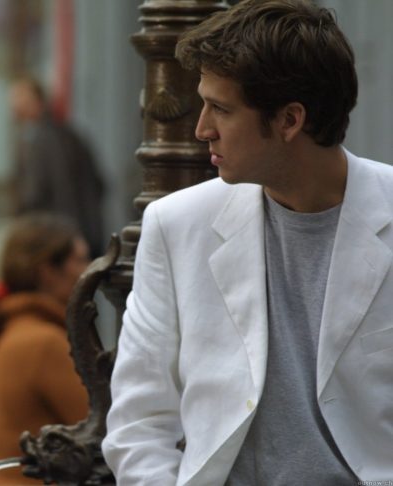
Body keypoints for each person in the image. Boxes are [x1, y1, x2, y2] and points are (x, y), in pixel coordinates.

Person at [102, 0, 393, 484]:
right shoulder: (176, 225)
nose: (200, 130)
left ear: (289, 120)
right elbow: (138, 423)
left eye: (221, 108)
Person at [0, 213, 91, 485]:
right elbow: (99, 431)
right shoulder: (42, 342)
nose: (89, 269)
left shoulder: (10, 329)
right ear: (48, 270)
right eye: (80, 259)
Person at [9, 76, 106, 259]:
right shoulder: (48, 135)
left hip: (58, 241)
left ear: (35, 101)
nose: (13, 105)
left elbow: (48, 191)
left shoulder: (46, 138)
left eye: (18, 97)